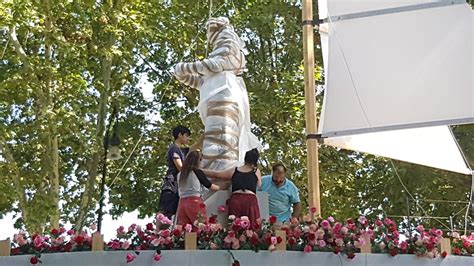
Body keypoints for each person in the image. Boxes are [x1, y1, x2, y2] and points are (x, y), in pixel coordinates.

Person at [203, 148, 262, 227]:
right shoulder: (256, 171)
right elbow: (259, 185)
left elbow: (216, 174)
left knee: (235, 226)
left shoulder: (235, 170)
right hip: (250, 200)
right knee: (252, 226)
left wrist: (199, 170)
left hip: (236, 199)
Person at [177, 150, 220, 225]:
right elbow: (209, 185)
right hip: (194, 202)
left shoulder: (180, 174)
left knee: (187, 230)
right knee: (201, 227)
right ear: (197, 161)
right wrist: (220, 187)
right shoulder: (197, 172)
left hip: (182, 203)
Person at [158, 125, 191, 218]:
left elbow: (192, 148)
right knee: (165, 210)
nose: (188, 139)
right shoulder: (174, 148)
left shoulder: (182, 150)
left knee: (173, 211)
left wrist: (203, 137)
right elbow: (180, 166)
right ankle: (159, 230)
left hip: (178, 184)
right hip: (171, 183)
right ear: (180, 135)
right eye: (186, 136)